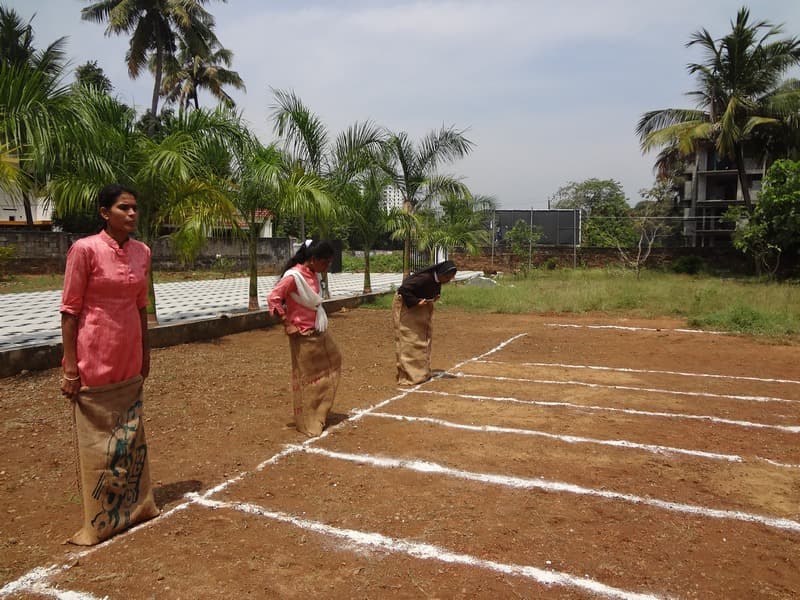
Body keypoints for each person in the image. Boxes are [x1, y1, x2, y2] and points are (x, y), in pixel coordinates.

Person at [60, 183, 159, 545]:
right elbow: (70, 311)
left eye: (135, 208)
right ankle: (99, 516)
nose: (132, 214)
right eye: (123, 208)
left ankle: (135, 505)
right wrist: (71, 368)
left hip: (129, 353)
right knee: (97, 439)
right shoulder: (84, 251)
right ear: (105, 213)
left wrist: (145, 354)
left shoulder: (142, 252)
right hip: (94, 352)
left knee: (129, 433)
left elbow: (140, 306)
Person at [268, 240, 342, 437]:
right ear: (313, 259)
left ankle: (319, 411)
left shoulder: (313, 274)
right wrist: (287, 324)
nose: (326, 267)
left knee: (333, 362)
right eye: (325, 262)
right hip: (302, 334)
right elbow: (273, 298)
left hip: (317, 330)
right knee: (309, 379)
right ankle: (308, 421)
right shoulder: (294, 276)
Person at [393, 260, 458, 385]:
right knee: (410, 340)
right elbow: (403, 289)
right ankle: (409, 376)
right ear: (440, 274)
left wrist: (434, 296)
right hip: (407, 306)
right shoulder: (424, 278)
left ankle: (421, 372)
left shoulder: (436, 279)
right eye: (448, 277)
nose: (449, 280)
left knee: (423, 339)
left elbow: (433, 287)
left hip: (421, 308)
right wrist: (416, 301)